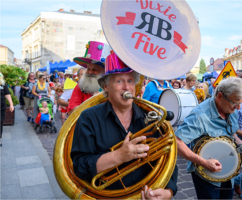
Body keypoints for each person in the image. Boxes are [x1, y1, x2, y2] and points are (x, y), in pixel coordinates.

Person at [71, 52, 178, 199]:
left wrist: (168, 192)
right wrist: (119, 156)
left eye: (130, 81)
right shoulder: (88, 117)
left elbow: (168, 158)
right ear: (106, 86)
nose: (127, 87)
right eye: (119, 81)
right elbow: (80, 167)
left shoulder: (151, 117)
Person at [175, 77, 242, 199]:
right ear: (220, 96)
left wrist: (241, 144)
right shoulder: (200, 115)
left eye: (240, 102)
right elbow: (177, 142)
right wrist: (203, 162)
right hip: (206, 174)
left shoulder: (232, 109)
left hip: (228, 169)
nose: (238, 108)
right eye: (235, 102)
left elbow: (232, 134)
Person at [68, 41, 106, 115]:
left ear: (103, 71)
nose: (90, 72)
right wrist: (91, 103)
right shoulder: (80, 85)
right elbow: (71, 110)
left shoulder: (112, 86)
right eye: (88, 68)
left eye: (94, 69)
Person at [0, 72, 14, 147]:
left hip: (2, 106)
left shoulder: (2, 84)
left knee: (0, 122)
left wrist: (11, 104)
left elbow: (7, 94)